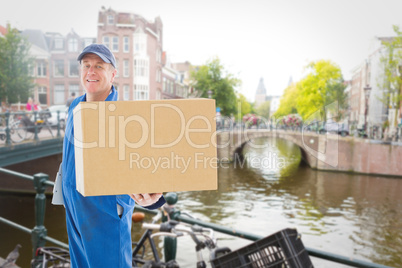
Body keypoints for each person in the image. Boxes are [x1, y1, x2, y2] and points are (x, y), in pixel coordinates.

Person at [60, 44, 165, 268]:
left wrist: (153, 196)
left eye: (99, 66)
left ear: (113, 74)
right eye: (86, 65)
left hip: (105, 210)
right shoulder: (75, 107)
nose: (91, 71)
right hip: (74, 207)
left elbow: (148, 163)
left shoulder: (126, 116)